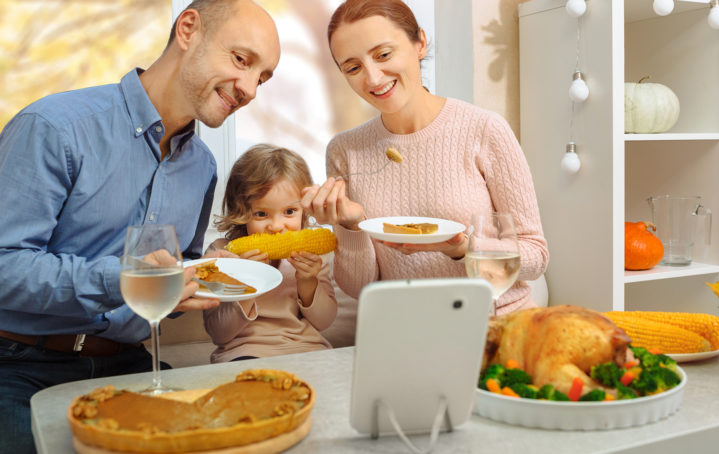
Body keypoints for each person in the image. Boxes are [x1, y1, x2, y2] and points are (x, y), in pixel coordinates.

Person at [0, 1, 280, 452]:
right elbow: (4, 265)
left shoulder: (202, 168)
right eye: (241, 60)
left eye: (262, 78)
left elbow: (170, 281)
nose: (249, 89)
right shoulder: (55, 127)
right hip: (18, 365)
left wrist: (199, 274)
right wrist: (125, 279)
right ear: (188, 28)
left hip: (128, 364)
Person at [301, 0, 548, 314]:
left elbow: (535, 256)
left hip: (497, 323)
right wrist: (351, 227)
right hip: (407, 330)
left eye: (383, 55)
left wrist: (463, 249)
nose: (373, 78)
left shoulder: (484, 129)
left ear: (420, 42)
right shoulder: (344, 150)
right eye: (353, 67)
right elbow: (359, 287)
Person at [203, 144, 337, 362]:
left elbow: (325, 321)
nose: (276, 226)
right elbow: (219, 333)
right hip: (244, 352)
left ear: (304, 210)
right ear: (241, 212)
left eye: (289, 212)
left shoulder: (312, 256)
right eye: (262, 213)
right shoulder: (220, 254)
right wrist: (247, 282)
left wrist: (308, 281)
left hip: (307, 349)